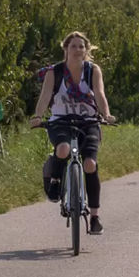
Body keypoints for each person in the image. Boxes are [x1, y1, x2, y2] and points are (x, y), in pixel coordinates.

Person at [30, 31, 116, 235]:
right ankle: (55, 180)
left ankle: (94, 217)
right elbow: (45, 97)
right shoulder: (55, 72)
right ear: (65, 49)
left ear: (86, 50)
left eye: (81, 46)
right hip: (61, 122)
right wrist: (37, 115)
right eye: (73, 46)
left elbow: (100, 93)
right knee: (63, 149)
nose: (77, 50)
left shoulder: (92, 70)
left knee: (90, 164)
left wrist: (107, 114)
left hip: (88, 122)